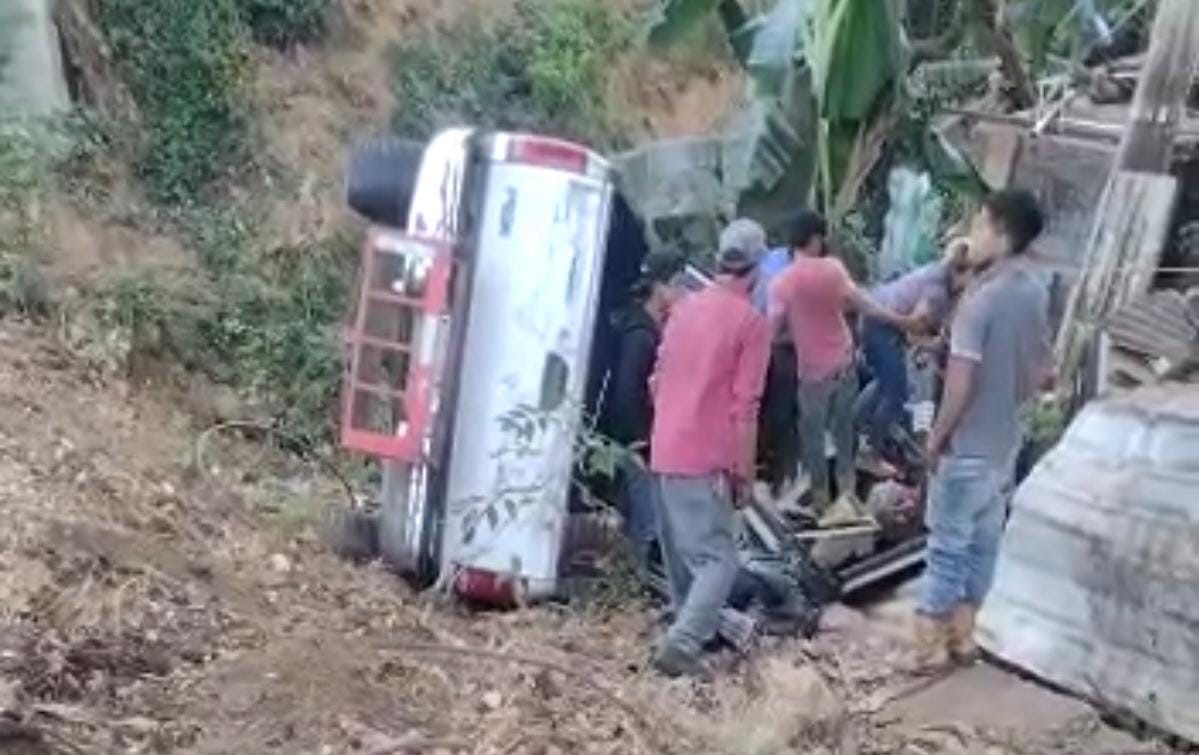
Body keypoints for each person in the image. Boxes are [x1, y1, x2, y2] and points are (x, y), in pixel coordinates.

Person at [913, 189, 1053, 670]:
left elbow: (960, 383)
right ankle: (964, 638)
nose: (972, 235)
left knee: (947, 545)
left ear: (1000, 232)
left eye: (979, 225)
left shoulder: (981, 301)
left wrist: (936, 439)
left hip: (967, 443)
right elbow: (1041, 372)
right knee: (984, 543)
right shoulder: (1034, 291)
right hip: (1004, 445)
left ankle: (929, 646)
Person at [648, 235, 770, 677]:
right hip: (704, 455)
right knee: (719, 560)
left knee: (685, 559)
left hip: (664, 447)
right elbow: (745, 408)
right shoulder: (751, 323)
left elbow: (656, 383)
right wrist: (744, 472)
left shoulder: (683, 310)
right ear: (756, 270)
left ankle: (687, 640)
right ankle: (681, 646)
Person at [768, 211, 921, 528]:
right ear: (816, 238)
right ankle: (848, 494)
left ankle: (822, 501)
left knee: (811, 436)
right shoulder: (833, 270)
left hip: (812, 374)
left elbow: (771, 331)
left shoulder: (782, 283)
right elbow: (865, 304)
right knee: (843, 431)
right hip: (843, 363)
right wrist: (901, 321)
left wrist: (793, 334)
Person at [602, 252, 686, 567]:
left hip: (633, 438)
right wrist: (638, 439)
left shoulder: (641, 327)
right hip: (633, 441)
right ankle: (634, 580)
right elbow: (627, 389)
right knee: (645, 518)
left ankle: (629, 577)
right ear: (660, 288)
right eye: (676, 285)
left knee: (636, 514)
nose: (681, 294)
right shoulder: (641, 336)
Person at [857, 238, 973, 468]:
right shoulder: (937, 290)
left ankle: (854, 430)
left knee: (886, 384)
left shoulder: (941, 278)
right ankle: (870, 452)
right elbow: (914, 328)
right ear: (963, 271)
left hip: (877, 317)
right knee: (896, 393)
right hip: (881, 326)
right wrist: (935, 345)